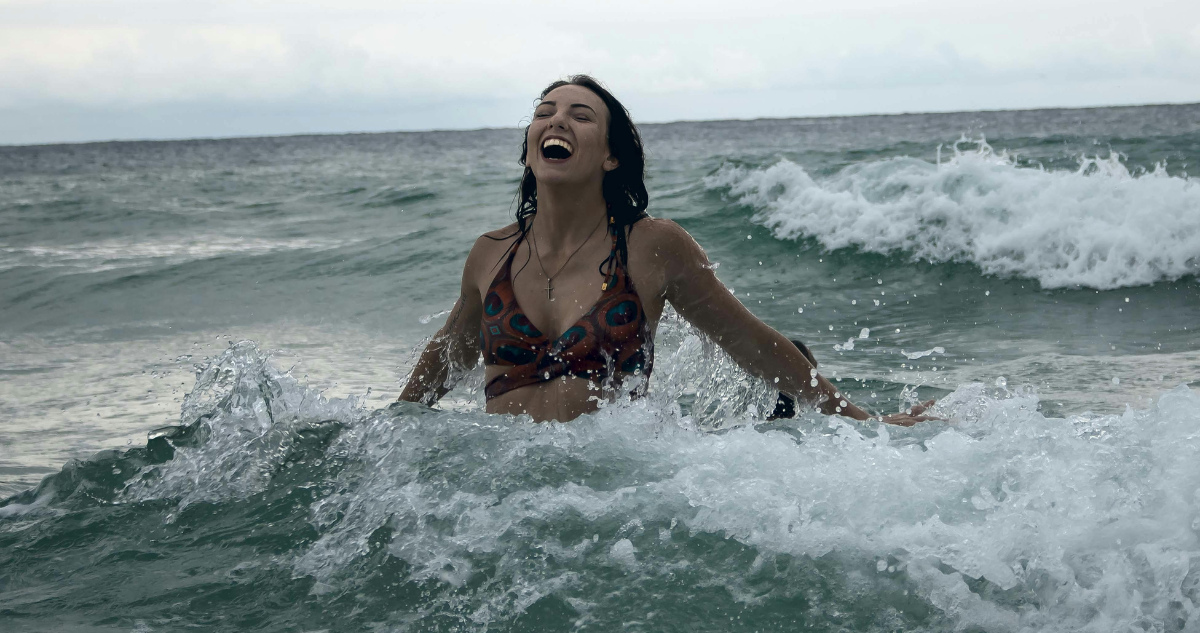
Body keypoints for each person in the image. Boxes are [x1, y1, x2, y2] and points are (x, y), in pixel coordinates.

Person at [399, 75, 935, 426]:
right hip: (504, 476)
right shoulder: (490, 253)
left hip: (608, 481)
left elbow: (750, 342)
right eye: (545, 112)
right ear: (530, 146)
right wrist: (389, 426)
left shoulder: (650, 245)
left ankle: (785, 419)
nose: (557, 120)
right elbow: (452, 350)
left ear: (611, 158)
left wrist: (865, 422)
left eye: (580, 116)